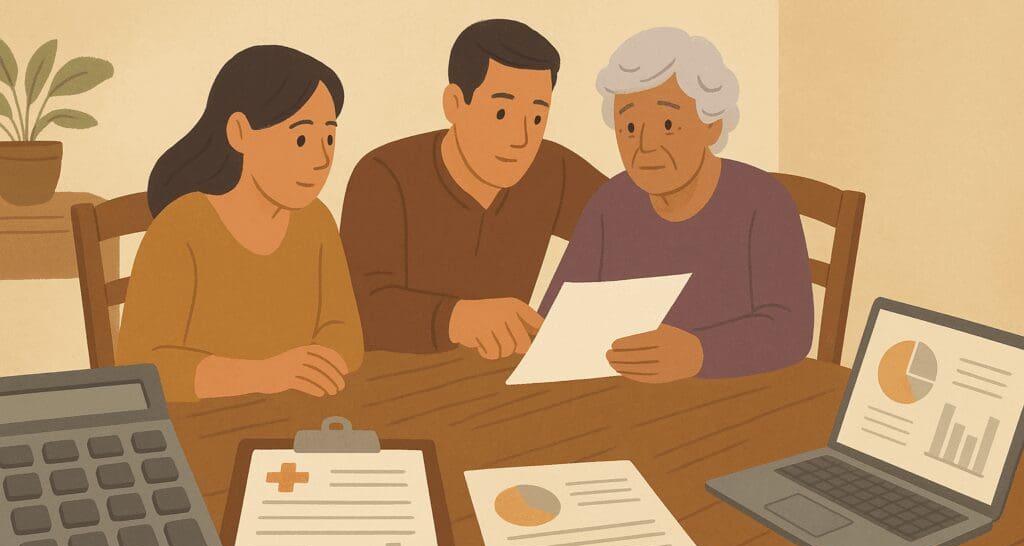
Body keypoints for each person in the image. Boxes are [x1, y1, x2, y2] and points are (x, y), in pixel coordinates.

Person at [540, 28, 813, 382]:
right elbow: (556, 318)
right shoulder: (611, 203)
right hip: (624, 403)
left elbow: (790, 329)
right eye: (629, 125)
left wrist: (700, 353)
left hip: (738, 398)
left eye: (667, 124)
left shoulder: (763, 202)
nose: (645, 144)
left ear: (712, 125)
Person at [340, 19, 606, 360]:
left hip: (500, 380)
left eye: (538, 118)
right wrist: (457, 318)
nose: (521, 138)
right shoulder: (384, 175)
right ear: (454, 103)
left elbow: (631, 220)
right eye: (501, 112)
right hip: (395, 384)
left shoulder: (553, 169)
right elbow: (359, 311)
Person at [117, 45, 364, 402]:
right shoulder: (181, 229)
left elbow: (344, 331)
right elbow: (141, 366)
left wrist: (317, 364)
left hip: (293, 414)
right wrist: (265, 374)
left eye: (329, 137)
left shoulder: (316, 221)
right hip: (200, 427)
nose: (321, 158)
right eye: (300, 138)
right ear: (239, 132)